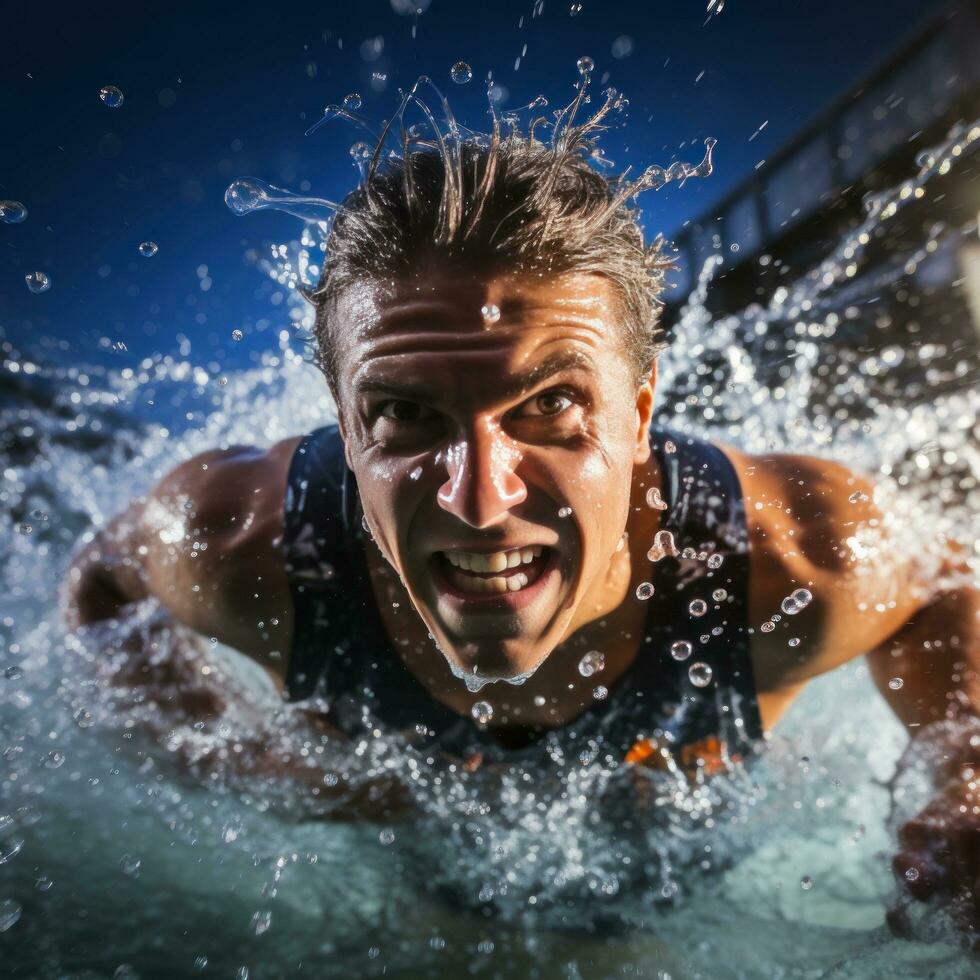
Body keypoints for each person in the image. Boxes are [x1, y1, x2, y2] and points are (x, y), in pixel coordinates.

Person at [62, 102, 978, 934]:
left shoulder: (792, 562)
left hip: (685, 895)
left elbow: (948, 580)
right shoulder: (240, 544)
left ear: (641, 411)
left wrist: (964, 780)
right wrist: (258, 771)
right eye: (405, 415)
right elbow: (102, 585)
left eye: (550, 406)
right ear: (344, 430)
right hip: (425, 892)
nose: (480, 502)